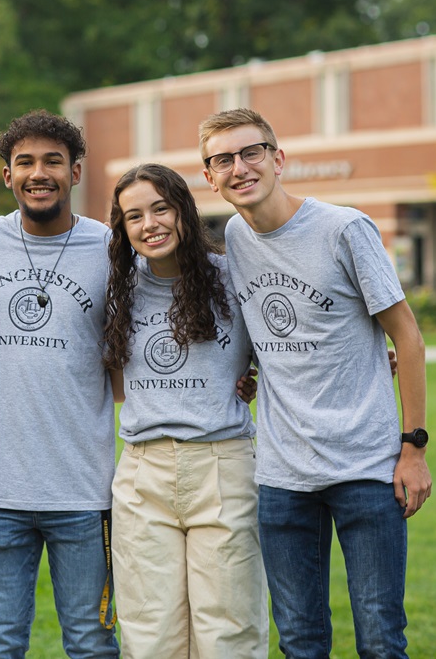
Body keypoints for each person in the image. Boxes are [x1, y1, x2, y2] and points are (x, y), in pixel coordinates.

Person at [199, 107, 432, 658]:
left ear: (278, 159)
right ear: (209, 176)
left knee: (380, 639)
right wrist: (250, 370)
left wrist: (414, 449)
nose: (240, 167)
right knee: (300, 642)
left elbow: (409, 339)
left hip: (367, 469)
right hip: (283, 477)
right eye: (223, 159)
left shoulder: (343, 229)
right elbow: (269, 327)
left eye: (251, 152)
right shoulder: (235, 234)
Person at [0, 110, 121, 658]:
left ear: (76, 173)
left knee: (92, 643)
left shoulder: (114, 249)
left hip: (86, 490)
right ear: (7, 175)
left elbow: (182, 302)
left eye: (54, 161)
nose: (38, 172)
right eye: (25, 162)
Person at [103, 163, 267, 657]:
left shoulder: (233, 276)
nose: (149, 224)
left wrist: (366, 357)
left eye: (160, 208)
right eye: (134, 216)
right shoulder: (115, 285)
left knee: (229, 630)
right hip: (141, 473)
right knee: (150, 634)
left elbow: (289, 342)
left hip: (223, 467)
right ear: (123, 229)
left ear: (184, 212)